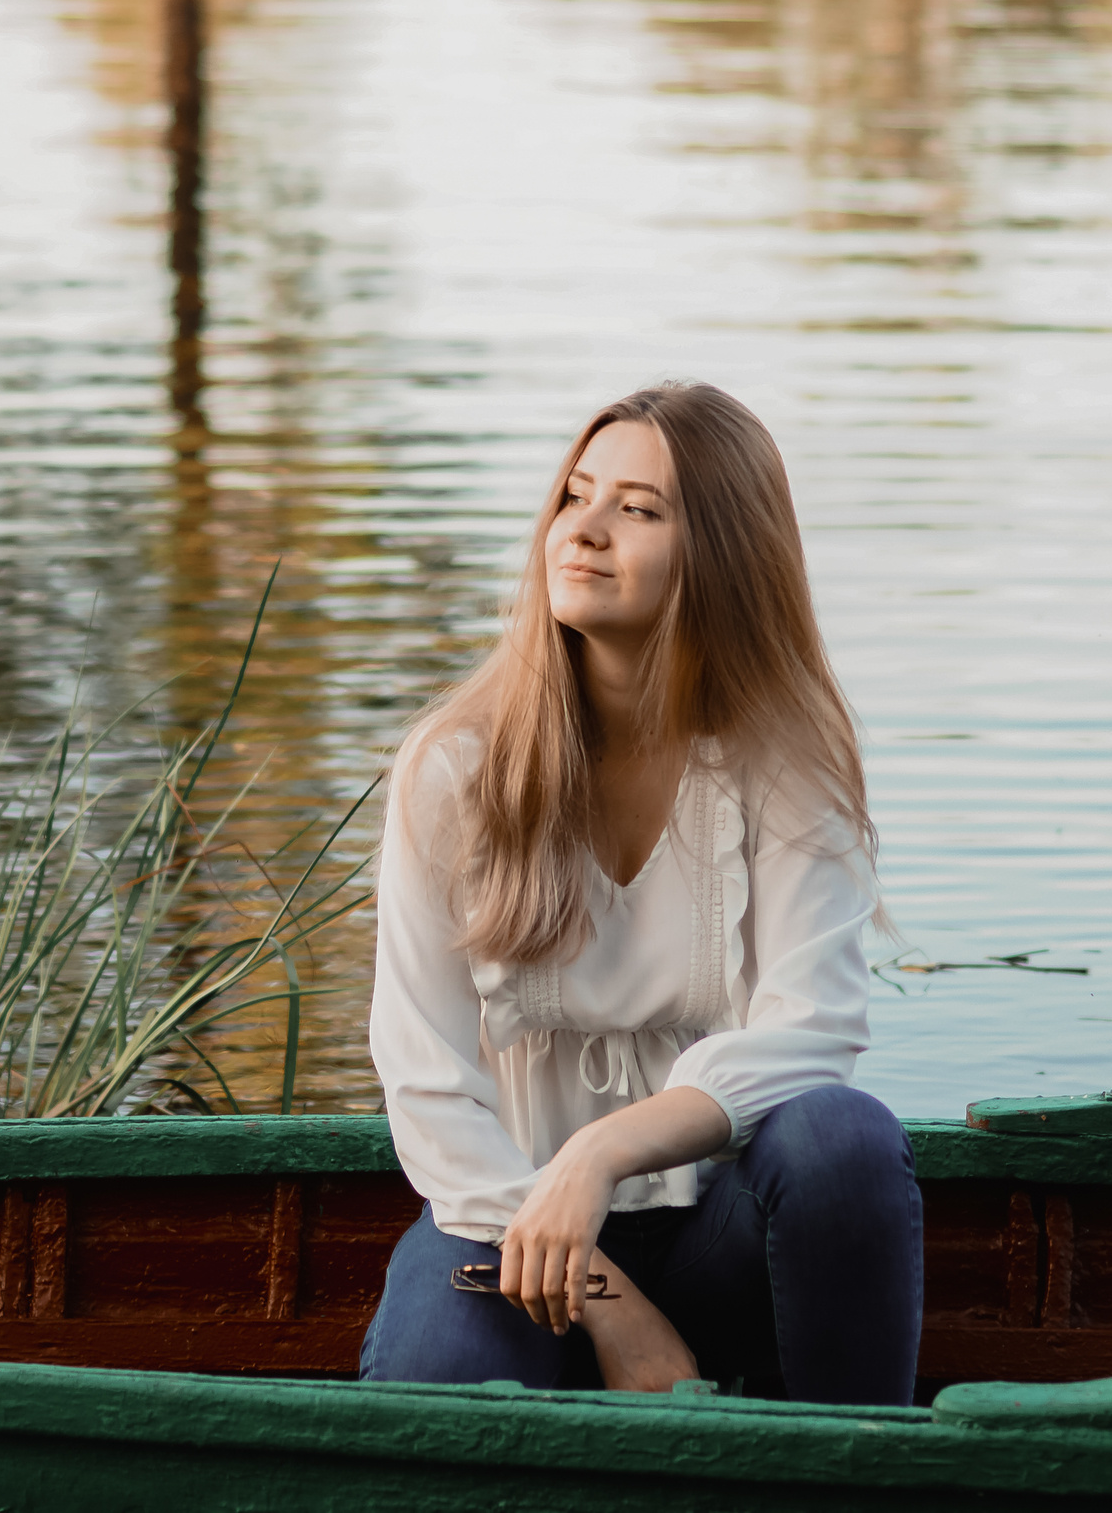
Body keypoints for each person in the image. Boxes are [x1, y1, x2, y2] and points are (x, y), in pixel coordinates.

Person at [359, 382, 922, 1405]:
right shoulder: (452, 771)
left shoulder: (786, 765)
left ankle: (856, 1465)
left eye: (639, 509)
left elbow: (815, 1030)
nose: (583, 529)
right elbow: (428, 1085)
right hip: (511, 1232)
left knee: (843, 1139)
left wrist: (600, 1154)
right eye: (576, 495)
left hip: (731, 1235)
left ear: (720, 555)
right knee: (438, 1380)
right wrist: (608, 1298)